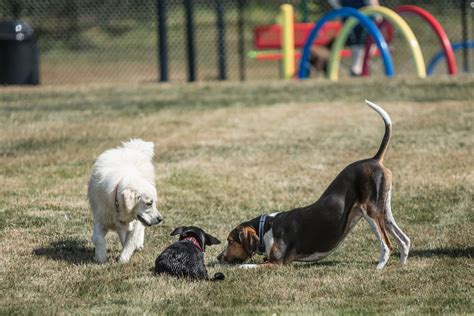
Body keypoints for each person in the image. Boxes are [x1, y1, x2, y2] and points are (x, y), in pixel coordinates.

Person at [327, 0, 380, 76]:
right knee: (365, 45)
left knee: (357, 47)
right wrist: (377, 13)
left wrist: (340, 9)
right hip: (364, 16)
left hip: (349, 15)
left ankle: (358, 68)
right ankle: (358, 69)